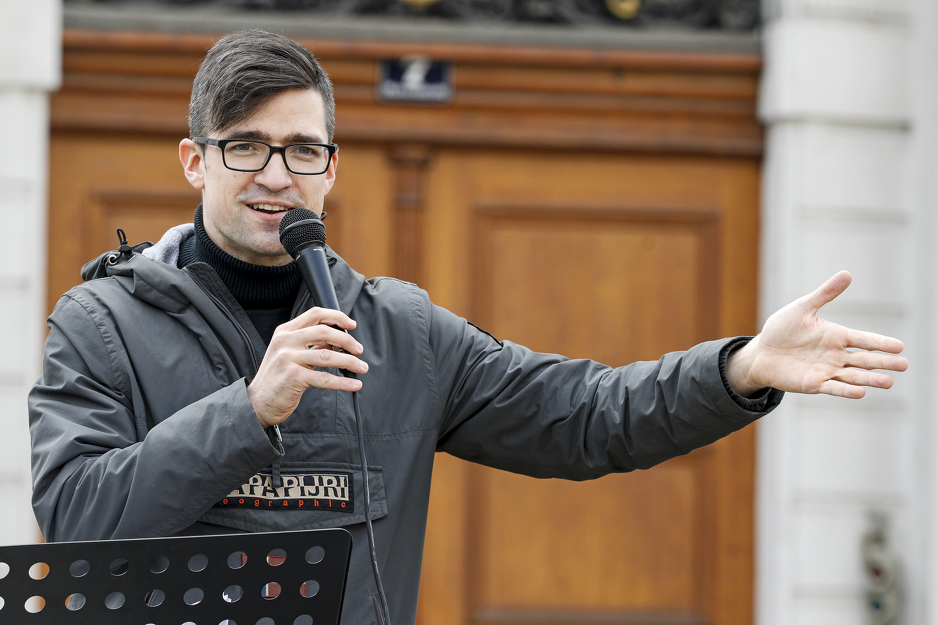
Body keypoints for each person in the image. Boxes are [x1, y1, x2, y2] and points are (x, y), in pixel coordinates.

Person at [28, 29, 908, 625]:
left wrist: (740, 368)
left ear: (330, 167)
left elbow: (587, 413)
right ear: (195, 161)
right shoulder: (101, 325)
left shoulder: (399, 330)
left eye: (303, 150)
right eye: (245, 147)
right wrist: (249, 408)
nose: (277, 175)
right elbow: (75, 520)